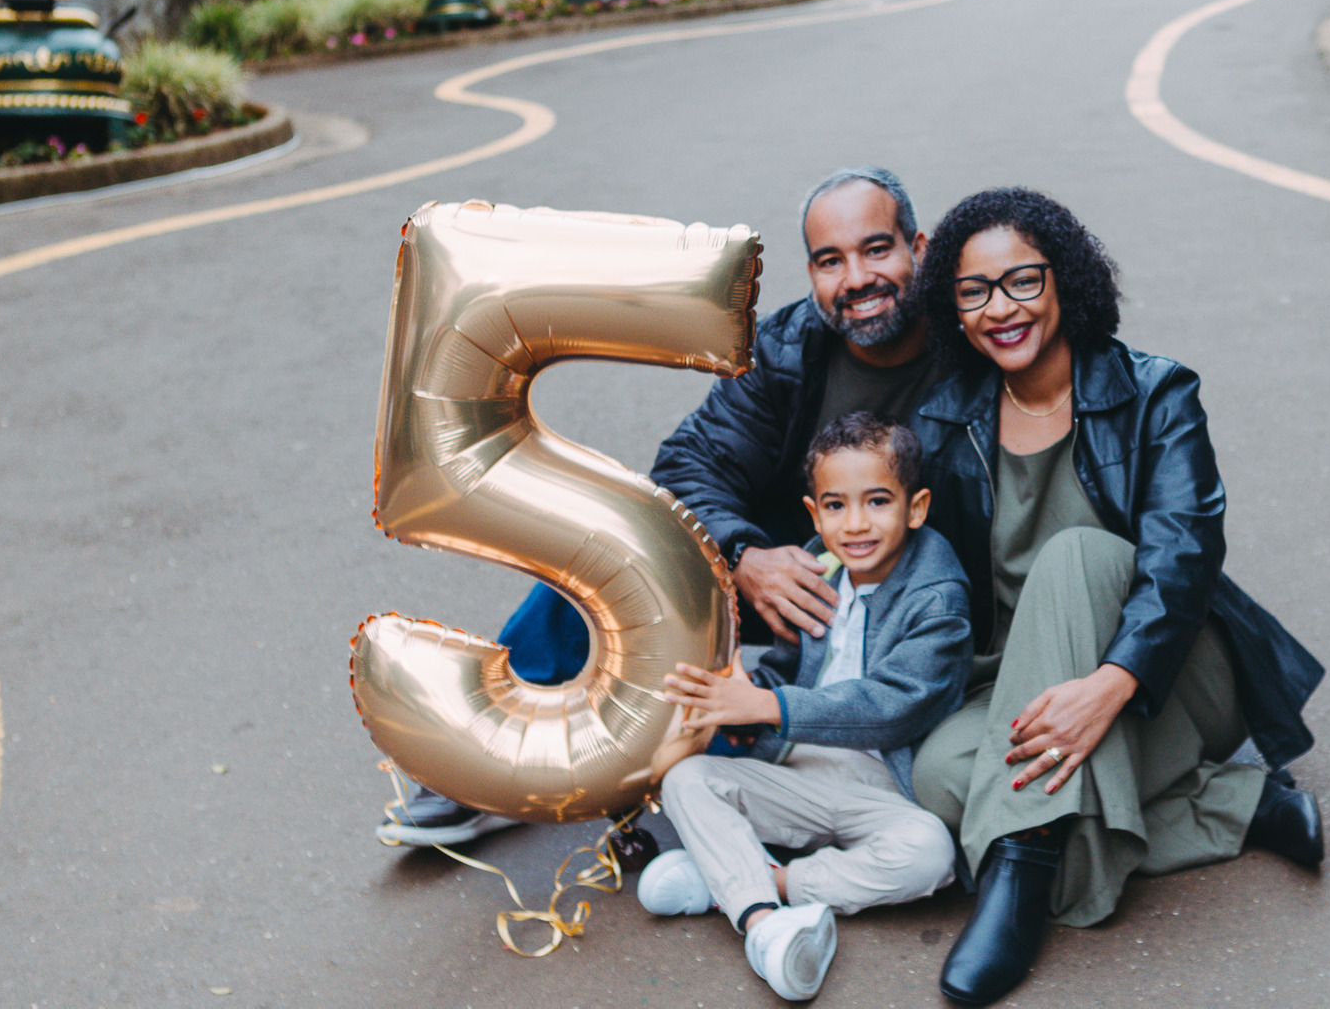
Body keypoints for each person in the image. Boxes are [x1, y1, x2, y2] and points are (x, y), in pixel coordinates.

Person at [375, 167, 942, 847]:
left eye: (876, 249)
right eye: (831, 261)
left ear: (919, 248)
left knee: (794, 730)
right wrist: (745, 555)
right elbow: (688, 463)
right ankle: (490, 757)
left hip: (911, 590)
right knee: (615, 550)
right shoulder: (791, 348)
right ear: (813, 273)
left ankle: (703, 772)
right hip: (798, 570)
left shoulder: (968, 344)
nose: (856, 278)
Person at [906, 188, 1326, 1006]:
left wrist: (1110, 684)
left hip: (1171, 673)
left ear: (1065, 280)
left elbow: (1183, 557)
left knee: (1073, 557)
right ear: (954, 308)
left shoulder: (1157, 394)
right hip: (1026, 680)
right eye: (975, 291)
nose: (1001, 308)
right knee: (939, 778)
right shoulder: (947, 420)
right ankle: (1241, 808)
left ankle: (1022, 864)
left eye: (1022, 280)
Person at [638, 413, 972, 1001]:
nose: (856, 524)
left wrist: (766, 703)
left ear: (915, 508)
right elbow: (788, 669)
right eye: (836, 506)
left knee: (929, 853)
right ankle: (764, 924)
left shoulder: (937, 595)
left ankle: (754, 885)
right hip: (801, 772)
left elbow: (895, 705)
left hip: (883, 788)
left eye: (877, 502)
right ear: (815, 514)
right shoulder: (819, 569)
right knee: (686, 779)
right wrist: (739, 693)